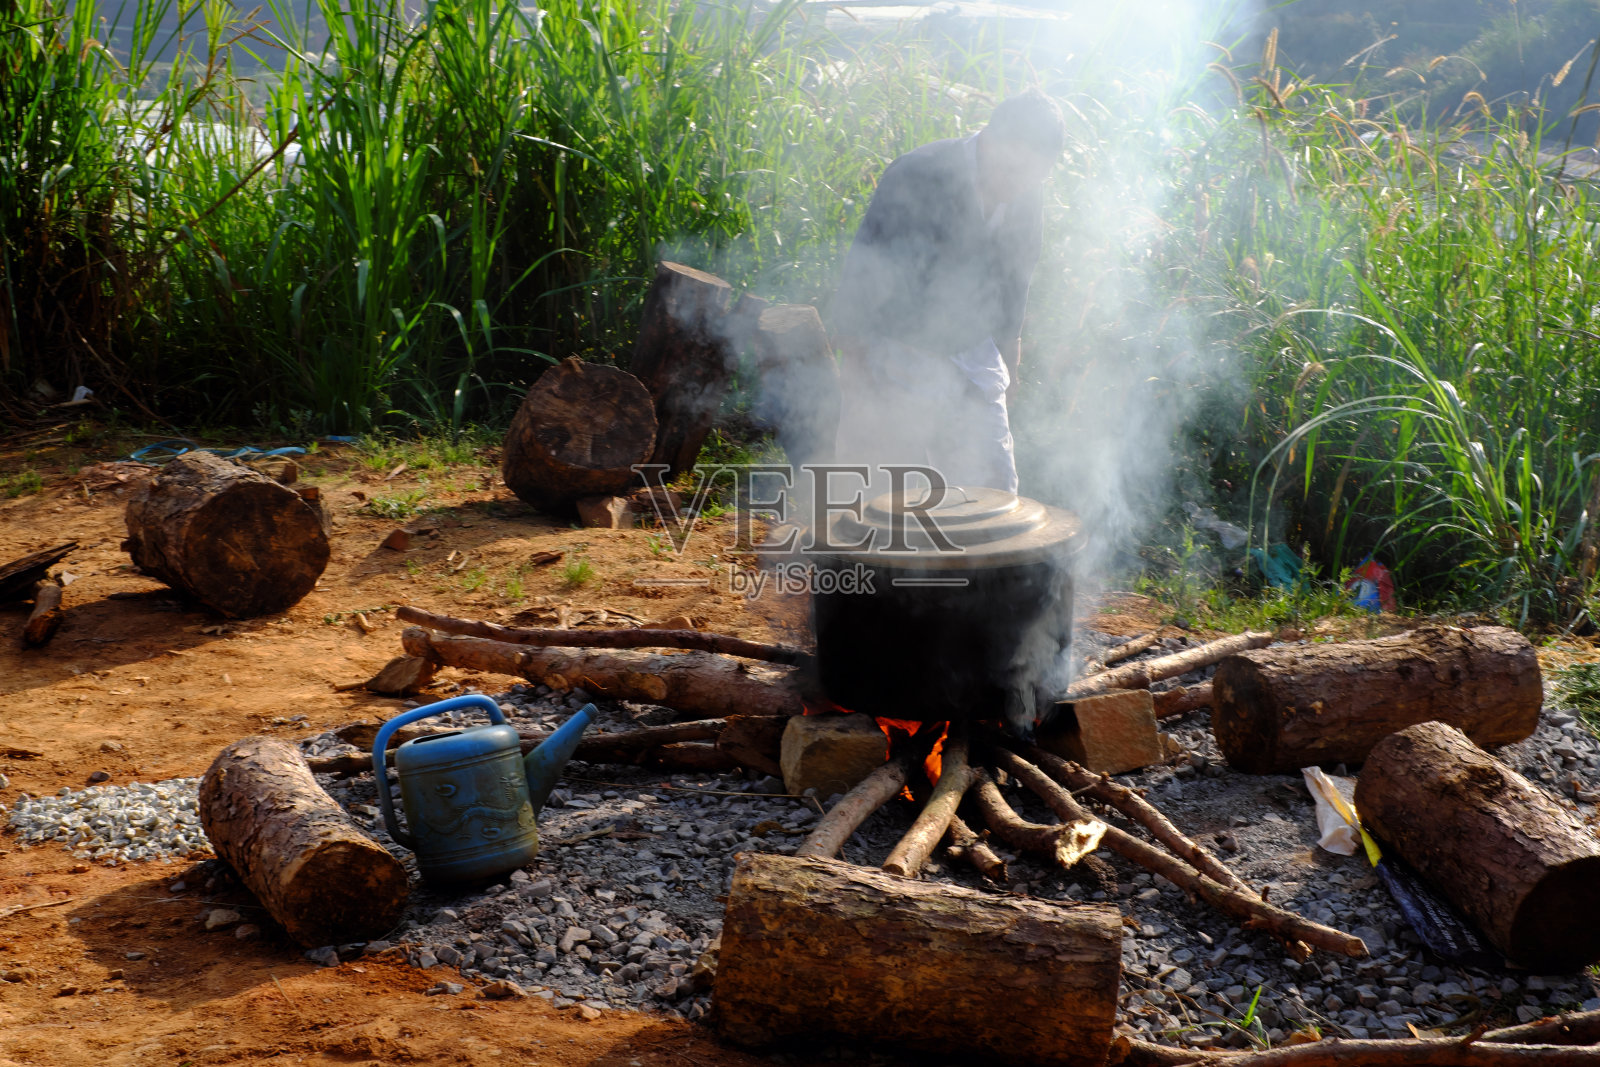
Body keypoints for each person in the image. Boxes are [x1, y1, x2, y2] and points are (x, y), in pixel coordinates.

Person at [828, 90, 1064, 498]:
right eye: (1012, 170)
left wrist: (1012, 360)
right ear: (990, 137)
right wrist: (854, 361)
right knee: (891, 493)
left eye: (1032, 176)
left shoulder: (1027, 193)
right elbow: (866, 267)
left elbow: (1016, 279)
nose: (1017, 184)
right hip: (897, 347)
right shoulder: (919, 172)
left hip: (973, 352)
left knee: (995, 492)